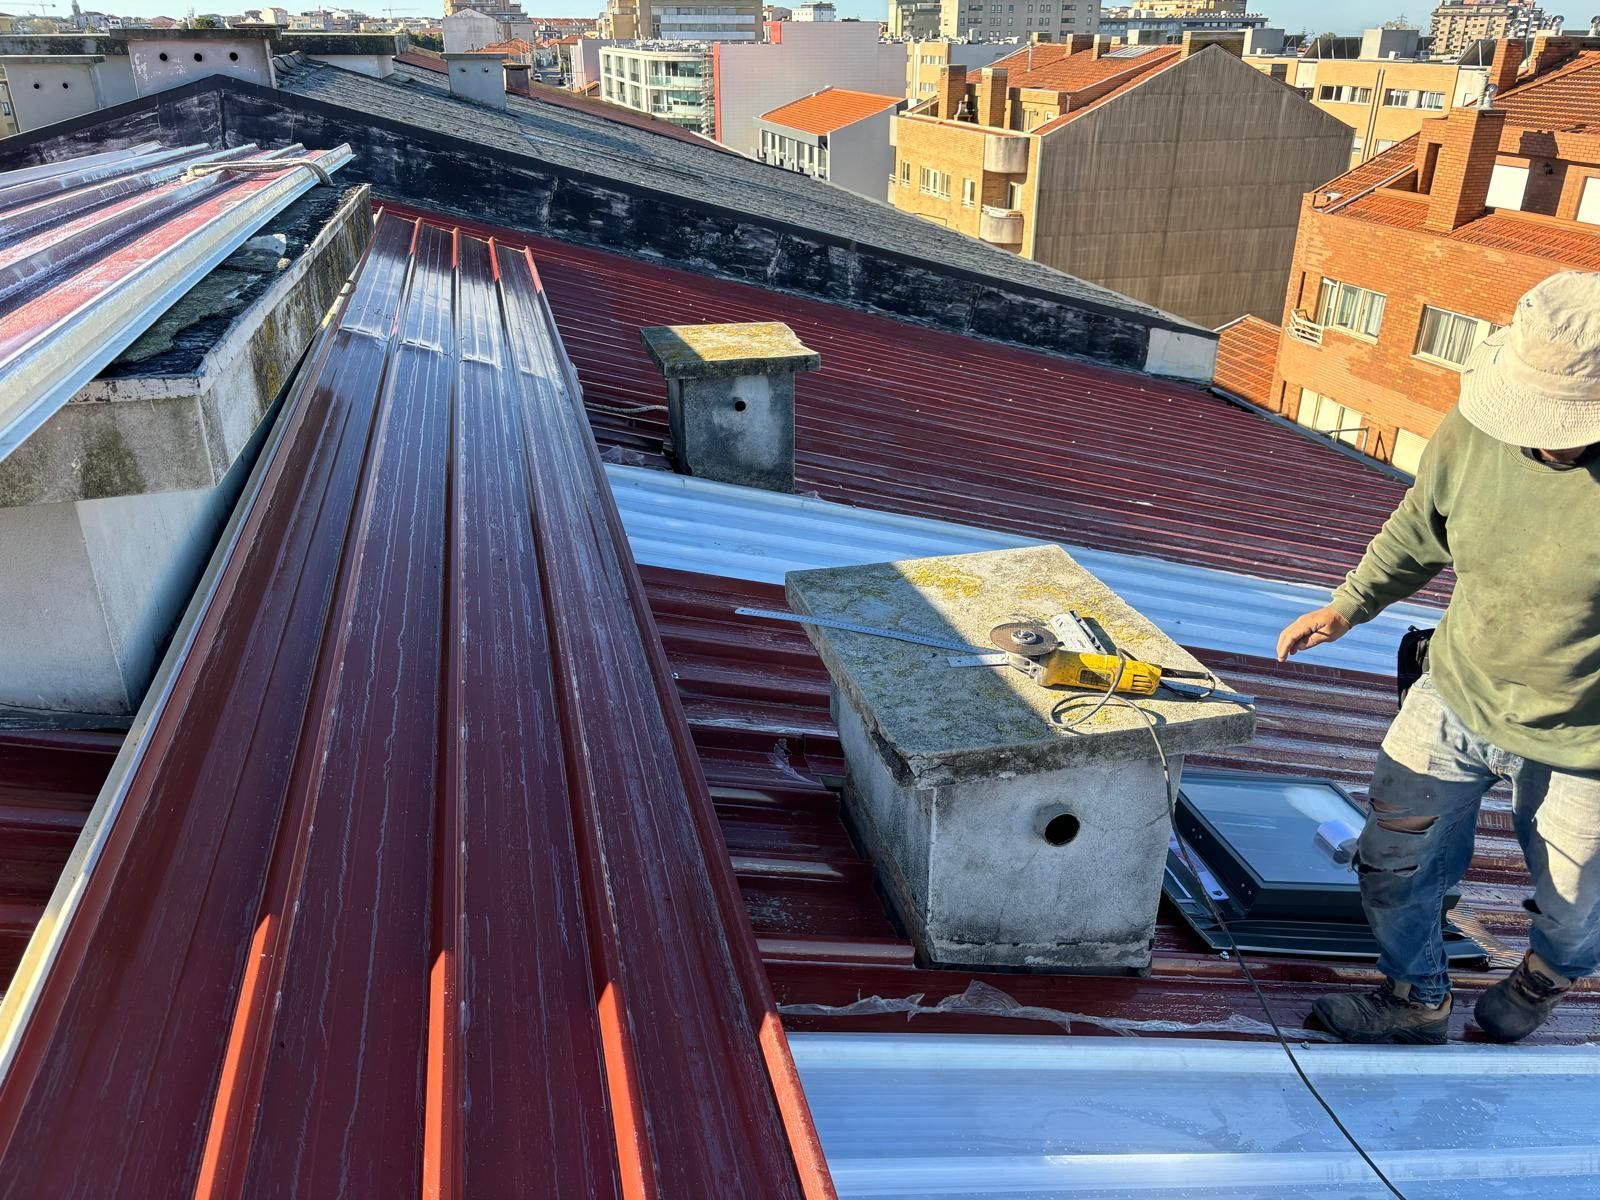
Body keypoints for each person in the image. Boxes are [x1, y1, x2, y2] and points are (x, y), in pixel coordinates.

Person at [1276, 271, 1600, 1045]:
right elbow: (1423, 524)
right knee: (1394, 860)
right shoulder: (1478, 428)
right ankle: (1415, 998)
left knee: (1576, 899)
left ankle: (1547, 975)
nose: (1535, 432)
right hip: (1457, 689)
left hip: (1585, 739)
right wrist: (1348, 603)